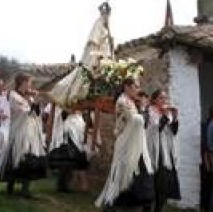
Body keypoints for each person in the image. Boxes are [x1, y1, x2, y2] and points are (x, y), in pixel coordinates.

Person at [95, 78, 154, 211]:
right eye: (136, 86)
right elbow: (137, 121)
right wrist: (144, 108)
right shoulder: (122, 102)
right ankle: (114, 205)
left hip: (136, 144)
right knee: (122, 176)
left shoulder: (131, 102)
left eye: (139, 87)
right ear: (127, 87)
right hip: (127, 145)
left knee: (138, 175)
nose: (138, 90)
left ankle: (135, 203)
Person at [0, 73, 47, 198]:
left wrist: (35, 101)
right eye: (29, 82)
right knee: (16, 156)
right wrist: (31, 101)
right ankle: (10, 183)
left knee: (30, 157)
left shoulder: (29, 97)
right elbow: (22, 112)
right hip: (19, 130)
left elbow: (36, 113)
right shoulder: (13, 95)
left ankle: (25, 188)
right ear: (23, 82)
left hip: (31, 130)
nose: (30, 85)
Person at [146, 89, 181, 212]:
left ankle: (158, 209)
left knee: (164, 184)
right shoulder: (150, 111)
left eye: (165, 98)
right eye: (161, 98)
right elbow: (156, 129)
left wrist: (175, 117)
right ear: (155, 100)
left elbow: (174, 132)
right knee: (151, 183)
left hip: (167, 152)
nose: (164, 100)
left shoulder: (168, 114)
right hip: (154, 151)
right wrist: (165, 115)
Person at [49, 108, 89, 192]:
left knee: (74, 167)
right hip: (72, 148)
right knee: (71, 167)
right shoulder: (72, 120)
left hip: (73, 148)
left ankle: (68, 185)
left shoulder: (74, 120)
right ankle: (66, 185)